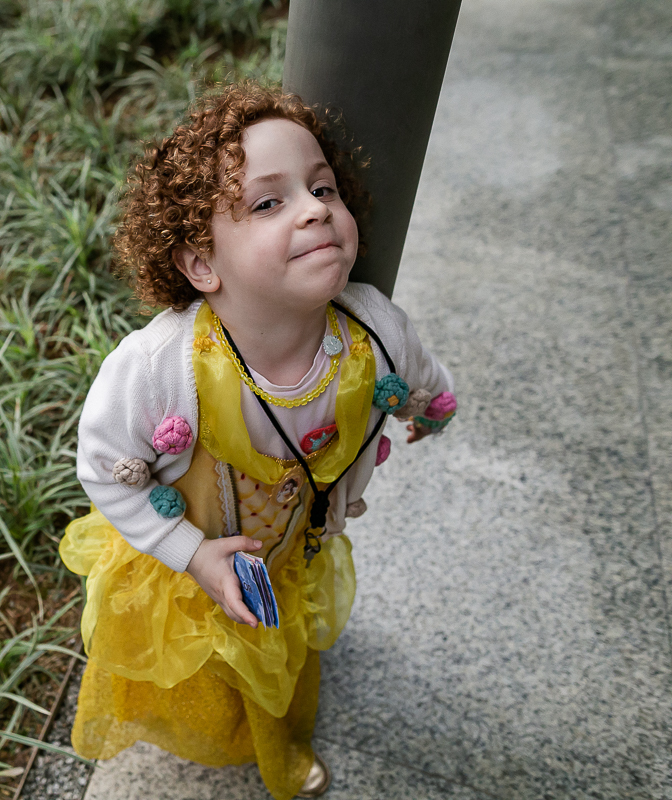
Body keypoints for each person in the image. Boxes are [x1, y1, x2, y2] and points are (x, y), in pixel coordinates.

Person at [60, 83, 457, 799]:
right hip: (193, 556)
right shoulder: (159, 369)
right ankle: (222, 727)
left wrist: (430, 409)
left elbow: (422, 376)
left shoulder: (372, 332)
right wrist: (190, 553)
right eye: (269, 202)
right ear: (201, 265)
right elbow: (103, 467)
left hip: (293, 553)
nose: (315, 210)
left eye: (323, 187)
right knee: (201, 668)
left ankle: (281, 745)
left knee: (280, 657)